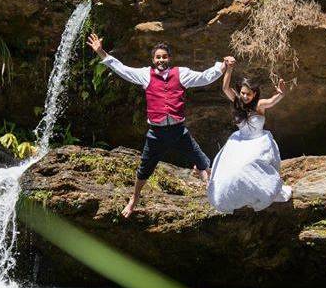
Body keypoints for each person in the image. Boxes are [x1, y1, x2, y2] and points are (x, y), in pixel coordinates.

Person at [87, 34, 234, 217]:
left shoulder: (181, 73)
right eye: (158, 57)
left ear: (169, 58)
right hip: (156, 133)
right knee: (144, 170)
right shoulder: (145, 75)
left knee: (203, 162)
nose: (161, 60)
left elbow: (204, 77)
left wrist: (222, 66)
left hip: (179, 131)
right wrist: (101, 52)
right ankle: (134, 199)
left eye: (164, 57)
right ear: (153, 59)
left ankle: (215, 196)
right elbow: (122, 69)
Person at [206, 59, 292, 213]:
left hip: (258, 141)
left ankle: (261, 192)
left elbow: (273, 101)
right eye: (243, 93)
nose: (245, 96)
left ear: (254, 94)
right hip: (240, 141)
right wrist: (229, 69)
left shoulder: (260, 105)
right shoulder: (237, 101)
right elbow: (225, 87)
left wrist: (281, 93)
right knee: (231, 168)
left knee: (249, 166)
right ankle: (232, 197)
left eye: (248, 94)